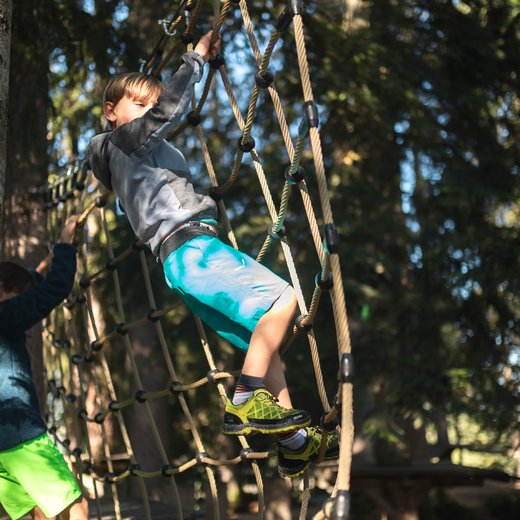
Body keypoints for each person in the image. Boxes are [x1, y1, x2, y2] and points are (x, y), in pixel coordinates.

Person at [87, 30, 338, 478]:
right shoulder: (116, 143)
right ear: (111, 112)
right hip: (192, 249)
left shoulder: (137, 161)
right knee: (284, 300)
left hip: (181, 264)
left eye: (149, 105)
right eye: (138, 105)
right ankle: (244, 399)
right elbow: (167, 111)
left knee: (265, 342)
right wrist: (196, 59)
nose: (148, 113)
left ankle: (294, 441)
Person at [0, 216, 89, 519]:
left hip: (2, 445)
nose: (23, 304)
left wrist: (47, 260)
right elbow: (53, 289)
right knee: (76, 506)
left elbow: (33, 284)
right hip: (21, 434)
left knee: (41, 511)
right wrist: (65, 243)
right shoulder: (4, 313)